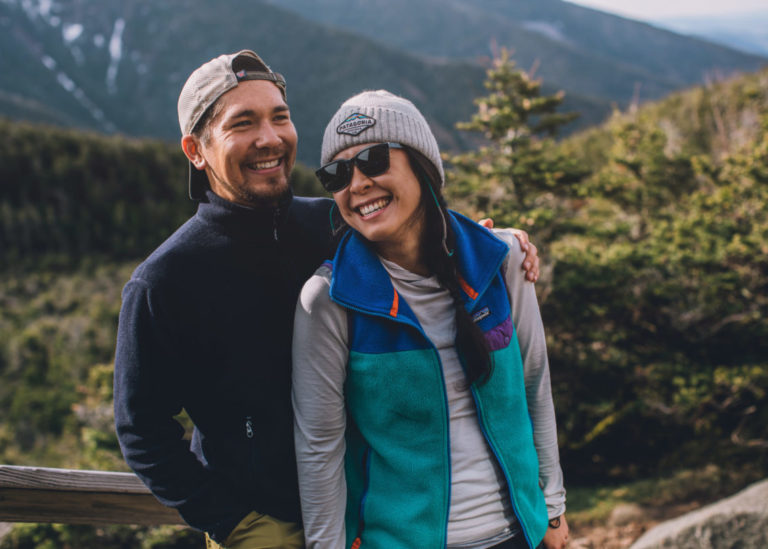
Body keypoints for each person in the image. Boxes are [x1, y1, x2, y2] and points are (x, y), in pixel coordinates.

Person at [113, 51, 541, 549]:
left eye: (280, 117)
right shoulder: (166, 281)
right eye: (243, 123)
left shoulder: (336, 223)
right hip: (268, 522)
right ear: (195, 150)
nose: (270, 138)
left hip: (376, 513)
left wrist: (497, 243)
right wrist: (234, 522)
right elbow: (140, 429)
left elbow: (421, 232)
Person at [292, 90, 568, 549]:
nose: (357, 183)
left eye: (374, 160)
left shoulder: (502, 260)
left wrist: (553, 510)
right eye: (337, 174)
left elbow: (535, 384)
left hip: (522, 533)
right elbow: (319, 447)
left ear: (422, 166)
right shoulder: (328, 301)